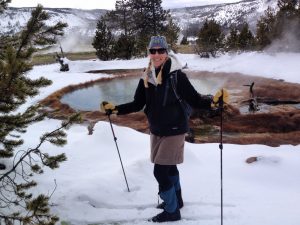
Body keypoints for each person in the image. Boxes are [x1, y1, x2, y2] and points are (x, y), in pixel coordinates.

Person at [101, 36, 216, 222]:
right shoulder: (147, 75)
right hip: (156, 129)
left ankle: (172, 211)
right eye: (152, 51)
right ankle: (177, 201)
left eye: (160, 51)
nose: (156, 54)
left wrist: (213, 102)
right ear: (149, 53)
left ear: (166, 52)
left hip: (175, 128)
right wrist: (115, 109)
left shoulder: (177, 76)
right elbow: (138, 103)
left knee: (159, 172)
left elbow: (195, 99)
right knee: (169, 168)